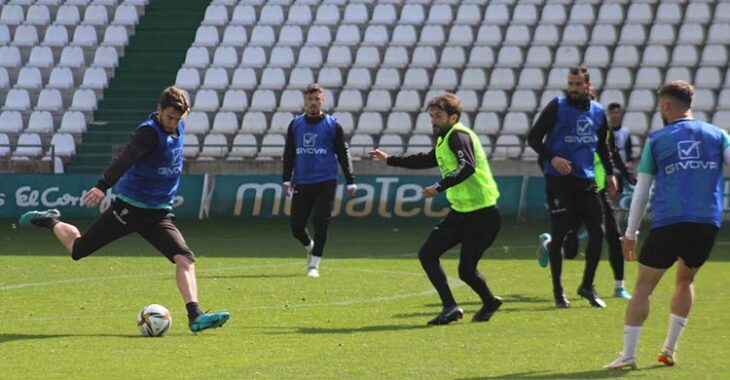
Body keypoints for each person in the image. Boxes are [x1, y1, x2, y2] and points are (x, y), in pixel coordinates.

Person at [18, 87, 230, 333]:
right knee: (78, 250)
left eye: (178, 118)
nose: (173, 123)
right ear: (159, 110)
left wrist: (182, 105)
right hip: (130, 209)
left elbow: (182, 108)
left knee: (185, 258)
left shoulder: (178, 124)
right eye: (170, 117)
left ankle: (195, 316)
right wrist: (102, 186)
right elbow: (124, 158)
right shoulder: (147, 134)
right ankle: (51, 220)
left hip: (159, 214)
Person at [605, 81, 730, 369]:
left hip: (669, 221)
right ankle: (669, 349)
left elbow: (642, 189)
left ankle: (628, 355)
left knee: (643, 288)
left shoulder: (658, 140)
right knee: (686, 280)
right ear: (691, 104)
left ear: (665, 106)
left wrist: (631, 232)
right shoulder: (718, 135)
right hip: (705, 221)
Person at [369, 93, 503, 325]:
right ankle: (452, 306)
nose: (433, 120)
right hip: (462, 212)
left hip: (483, 214)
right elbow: (426, 159)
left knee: (466, 271)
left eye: (438, 116)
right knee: (428, 254)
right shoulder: (445, 138)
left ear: (453, 117)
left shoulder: (458, 136)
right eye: (431, 116)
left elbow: (467, 166)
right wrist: (390, 160)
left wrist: (439, 187)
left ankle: (488, 302)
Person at [527, 65, 617, 309]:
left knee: (598, 232)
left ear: (588, 85)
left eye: (578, 84)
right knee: (560, 235)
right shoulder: (557, 105)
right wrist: (553, 157)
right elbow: (533, 138)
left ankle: (587, 285)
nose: (573, 88)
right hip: (558, 180)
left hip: (585, 180)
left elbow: (602, 146)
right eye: (571, 84)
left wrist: (609, 174)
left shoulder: (598, 112)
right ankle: (558, 291)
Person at [282, 83, 356, 278]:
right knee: (297, 226)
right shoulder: (296, 124)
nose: (313, 103)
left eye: (317, 99)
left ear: (322, 101)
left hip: (326, 181)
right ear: (305, 101)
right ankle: (310, 246)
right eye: (310, 99)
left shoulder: (333, 125)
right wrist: (285, 179)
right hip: (302, 181)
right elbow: (289, 152)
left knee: (321, 223)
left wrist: (350, 180)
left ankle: (314, 265)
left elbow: (343, 153)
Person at [562, 126, 635, 300]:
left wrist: (625, 174)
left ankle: (619, 286)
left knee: (614, 236)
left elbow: (612, 153)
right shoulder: (569, 126)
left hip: (599, 190)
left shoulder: (602, 127)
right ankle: (550, 244)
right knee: (570, 250)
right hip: (576, 190)